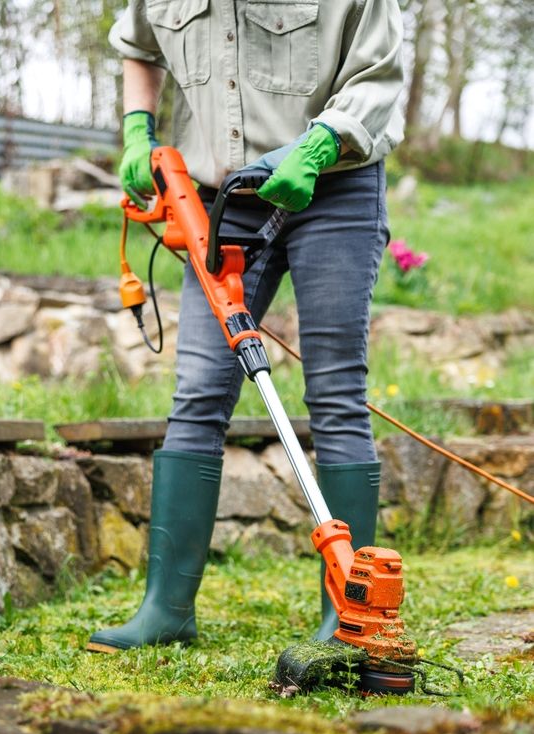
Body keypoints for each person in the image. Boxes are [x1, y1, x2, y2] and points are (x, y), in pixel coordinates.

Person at [89, 0, 405, 653]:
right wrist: (136, 131)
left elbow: (378, 71)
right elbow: (138, 47)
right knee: (198, 392)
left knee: (335, 393)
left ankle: (348, 615)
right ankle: (166, 609)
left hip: (334, 187)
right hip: (220, 199)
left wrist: (318, 145)